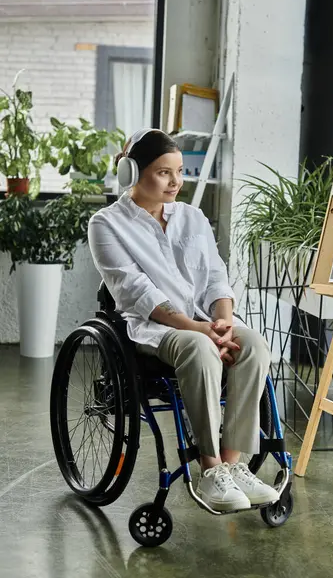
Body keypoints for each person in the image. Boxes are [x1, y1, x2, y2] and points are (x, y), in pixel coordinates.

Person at [88, 128, 279, 512]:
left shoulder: (192, 218)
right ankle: (210, 470)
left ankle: (232, 462)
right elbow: (135, 292)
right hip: (153, 328)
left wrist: (222, 323)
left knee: (254, 344)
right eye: (163, 172)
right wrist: (201, 330)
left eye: (179, 171)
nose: (176, 181)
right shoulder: (106, 224)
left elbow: (214, 278)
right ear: (131, 173)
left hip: (205, 321)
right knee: (199, 347)